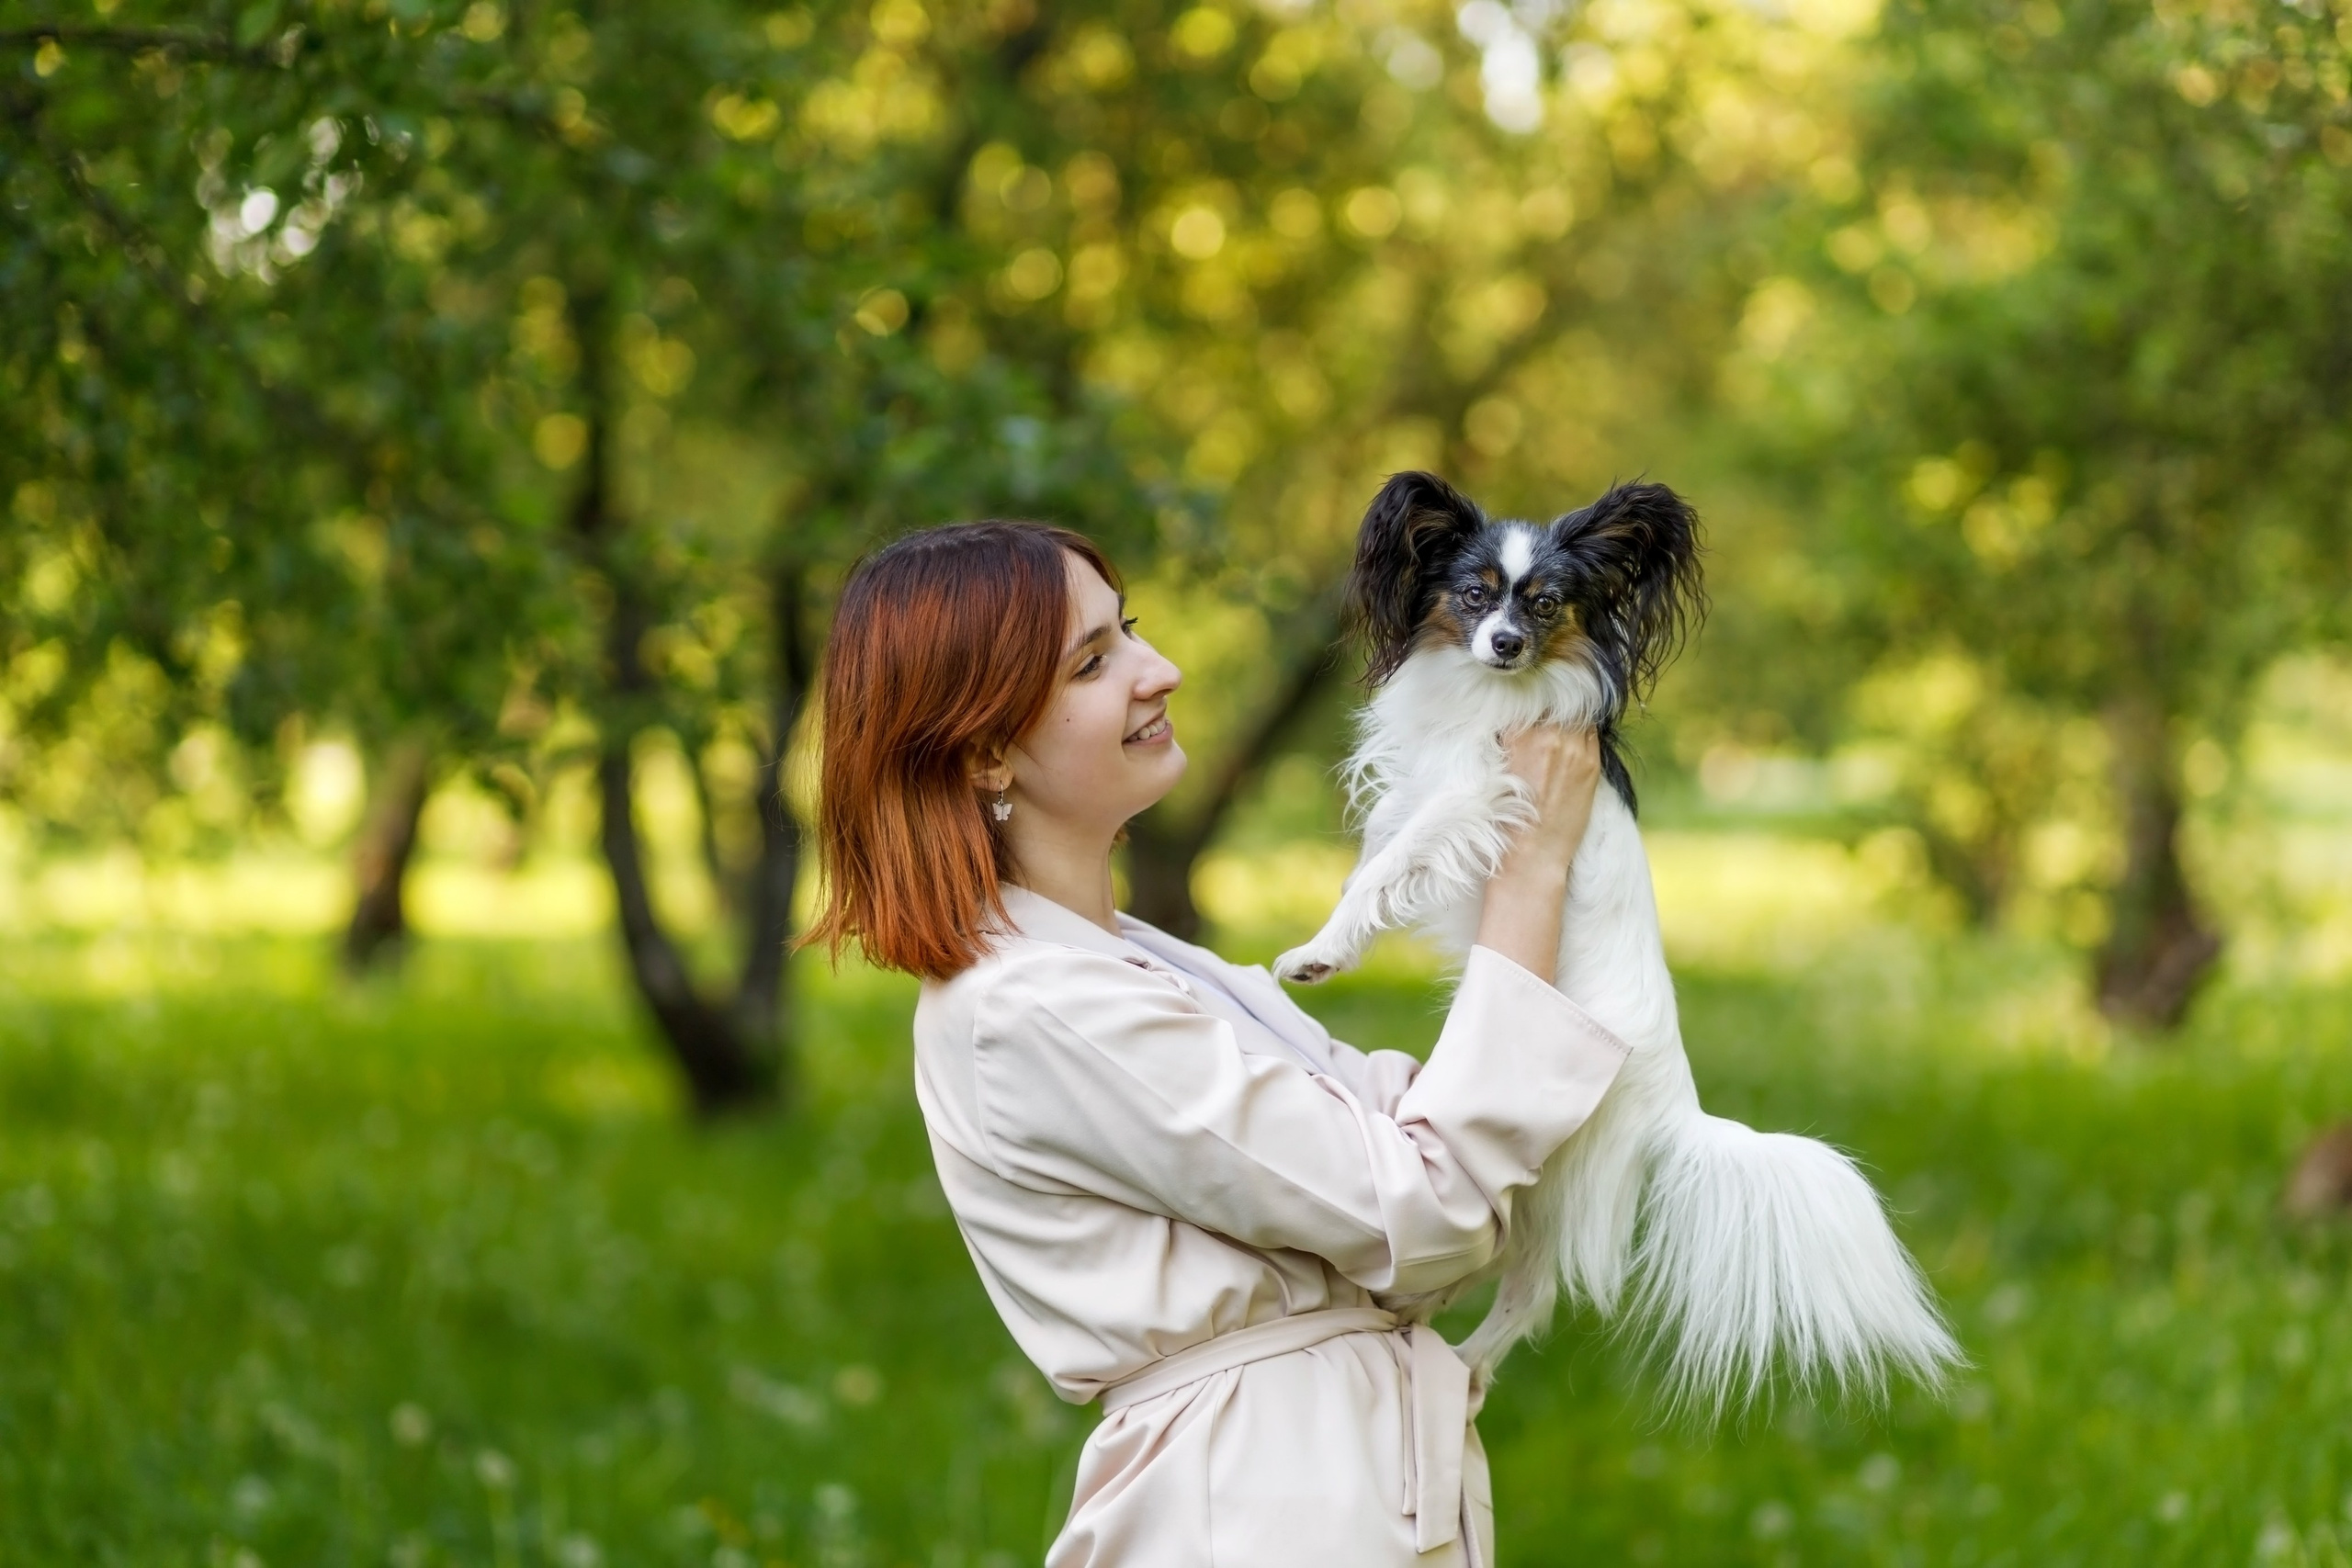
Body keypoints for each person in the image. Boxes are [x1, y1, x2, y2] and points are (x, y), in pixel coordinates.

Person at [806, 521, 1628, 1568]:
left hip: (1309, 1487)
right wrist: (1530, 870)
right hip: (1257, 1510)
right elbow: (1428, 1207)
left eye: (1130, 631)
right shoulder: (1038, 1007)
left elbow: (1406, 1143)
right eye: (1094, 662)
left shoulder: (1129, 963)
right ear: (983, 749)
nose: (1162, 671)